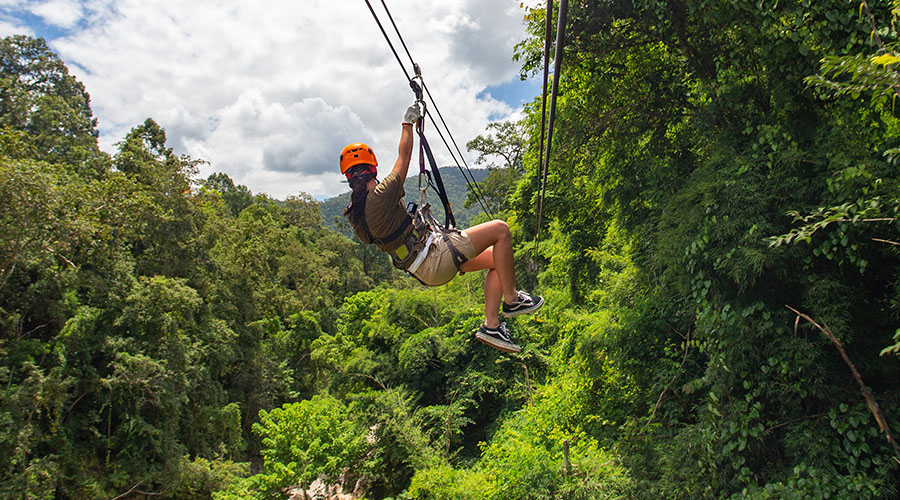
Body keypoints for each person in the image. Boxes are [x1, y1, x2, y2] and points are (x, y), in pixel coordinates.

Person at [340, 102, 544, 353]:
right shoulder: (380, 196)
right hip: (434, 256)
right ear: (373, 167)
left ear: (348, 177)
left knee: (496, 262)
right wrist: (407, 124)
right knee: (500, 230)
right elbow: (403, 158)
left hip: (424, 266)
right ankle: (512, 301)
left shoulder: (358, 213)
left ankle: (492, 326)